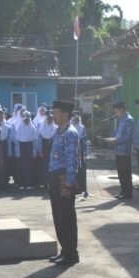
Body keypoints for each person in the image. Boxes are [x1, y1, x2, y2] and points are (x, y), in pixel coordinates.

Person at [47, 100, 81, 267]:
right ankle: (65, 250)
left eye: (56, 112)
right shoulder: (59, 131)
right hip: (55, 178)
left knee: (66, 217)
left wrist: (68, 184)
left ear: (66, 114)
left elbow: (72, 161)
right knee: (58, 217)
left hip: (63, 180)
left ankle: (71, 253)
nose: (53, 115)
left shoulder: (70, 133)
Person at [106, 102, 134, 199]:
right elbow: (119, 134)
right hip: (118, 149)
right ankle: (123, 191)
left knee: (126, 173)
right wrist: (112, 138)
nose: (116, 113)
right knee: (121, 173)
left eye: (117, 111)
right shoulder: (121, 119)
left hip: (125, 151)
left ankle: (128, 193)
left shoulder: (129, 120)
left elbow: (128, 136)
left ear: (122, 109)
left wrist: (116, 141)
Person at [12, 110, 39, 190]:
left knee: (29, 167)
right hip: (21, 148)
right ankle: (22, 183)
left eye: (28, 119)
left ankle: (29, 184)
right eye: (25, 120)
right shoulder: (19, 128)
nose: (26, 121)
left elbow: (35, 141)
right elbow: (17, 140)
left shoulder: (33, 128)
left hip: (29, 148)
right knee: (21, 166)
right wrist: (18, 151)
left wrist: (34, 151)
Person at [38, 113, 58, 190]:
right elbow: (39, 141)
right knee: (45, 166)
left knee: (53, 165)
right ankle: (45, 183)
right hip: (45, 148)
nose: (50, 120)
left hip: (53, 148)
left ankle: (52, 183)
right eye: (48, 119)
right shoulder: (42, 128)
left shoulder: (56, 128)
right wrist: (40, 151)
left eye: (51, 119)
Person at [73, 114, 89, 198]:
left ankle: (83, 188)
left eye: (77, 120)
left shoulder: (82, 128)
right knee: (75, 171)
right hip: (73, 153)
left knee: (82, 170)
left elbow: (85, 140)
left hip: (81, 153)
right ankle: (76, 189)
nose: (76, 121)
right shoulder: (71, 128)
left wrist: (86, 152)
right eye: (75, 120)